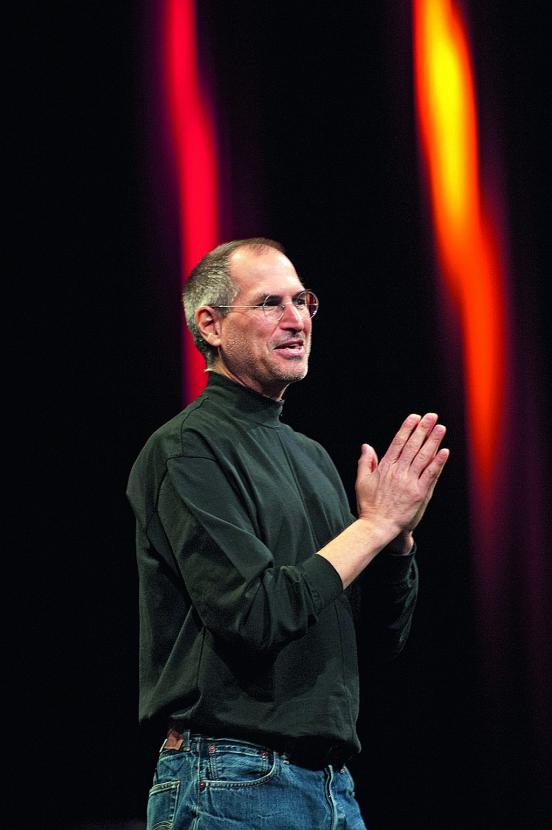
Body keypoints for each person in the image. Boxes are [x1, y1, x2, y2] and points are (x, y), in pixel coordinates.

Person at [126, 238, 449, 829]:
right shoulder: (187, 448)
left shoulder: (312, 456)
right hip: (230, 778)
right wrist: (373, 525)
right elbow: (255, 614)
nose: (297, 319)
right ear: (211, 325)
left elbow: (377, 640)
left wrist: (396, 539)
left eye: (302, 301)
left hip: (331, 786)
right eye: (270, 303)